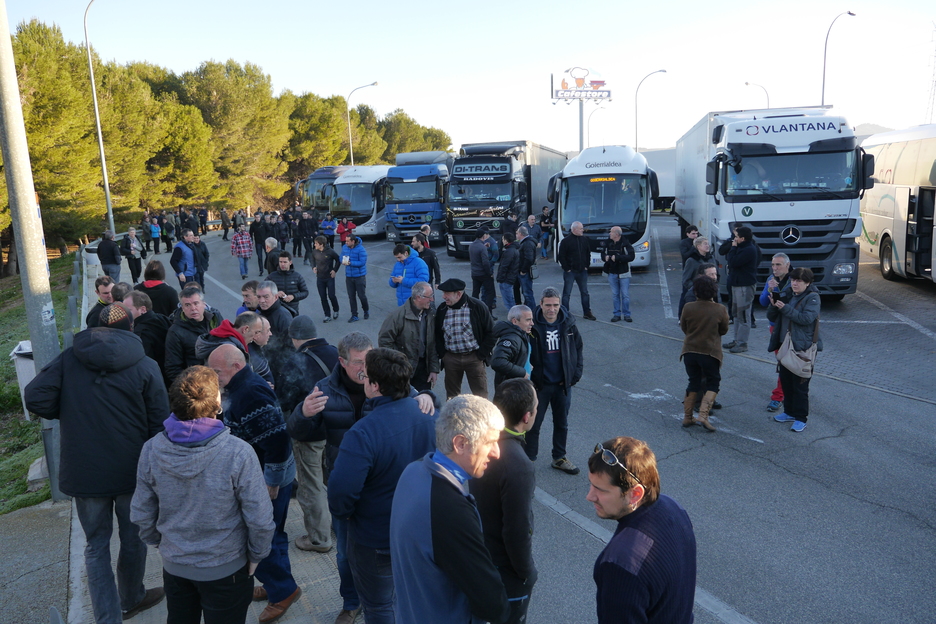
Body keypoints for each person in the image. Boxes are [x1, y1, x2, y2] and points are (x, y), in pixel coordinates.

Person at [25, 303, 169, 624]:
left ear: (92, 329)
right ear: (131, 329)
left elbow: (35, 396)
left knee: (96, 546)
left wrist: (68, 409)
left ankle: (108, 618)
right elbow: (160, 423)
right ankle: (132, 598)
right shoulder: (145, 365)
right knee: (134, 538)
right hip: (131, 470)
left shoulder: (69, 359)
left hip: (85, 472)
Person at [130, 366, 275, 624]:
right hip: (228, 569)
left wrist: (163, 545)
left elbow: (141, 512)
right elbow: (260, 519)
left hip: (175, 567)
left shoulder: (151, 449)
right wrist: (256, 556)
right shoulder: (238, 453)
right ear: (217, 405)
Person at [328, 348, 437, 624]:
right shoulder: (431, 416)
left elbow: (340, 493)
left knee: (379, 607)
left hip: (376, 539)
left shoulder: (363, 433)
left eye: (366, 377)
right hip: (420, 532)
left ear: (375, 386)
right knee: (412, 598)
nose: (363, 380)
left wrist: (346, 515)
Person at [389, 394, 510, 624]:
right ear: (460, 444)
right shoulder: (450, 511)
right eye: (489, 442)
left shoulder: (412, 472)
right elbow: (493, 603)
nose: (497, 452)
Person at [207, 345, 301, 624]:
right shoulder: (240, 386)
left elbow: (278, 440)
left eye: (217, 371)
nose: (213, 377)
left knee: (257, 538)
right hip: (262, 475)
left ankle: (283, 590)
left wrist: (271, 481)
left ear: (235, 367)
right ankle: (279, 585)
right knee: (275, 534)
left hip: (265, 479)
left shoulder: (249, 392)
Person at [588, 437, 697, 624]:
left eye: (601, 490)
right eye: (591, 484)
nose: (590, 496)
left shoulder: (620, 563)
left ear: (635, 494)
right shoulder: (674, 508)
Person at [469, 379, 538, 624]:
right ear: (527, 417)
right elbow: (516, 531)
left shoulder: (478, 442)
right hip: (503, 570)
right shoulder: (518, 465)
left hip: (476, 557)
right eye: (536, 408)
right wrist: (527, 573)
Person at [280, 316, 338, 554]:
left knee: (311, 485)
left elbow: (285, 400)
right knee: (332, 479)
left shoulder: (296, 362)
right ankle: (337, 525)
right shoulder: (335, 353)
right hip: (336, 429)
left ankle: (319, 538)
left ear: (295, 338)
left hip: (309, 434)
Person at [526, 286, 583, 476]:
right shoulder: (532, 324)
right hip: (539, 386)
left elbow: (578, 348)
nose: (552, 309)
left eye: (555, 305)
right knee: (533, 425)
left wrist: (575, 375)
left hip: (562, 385)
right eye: (548, 305)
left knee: (562, 424)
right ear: (541, 304)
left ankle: (559, 457)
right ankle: (528, 460)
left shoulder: (568, 323)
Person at [768, 267, 821, 432]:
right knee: (786, 382)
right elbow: (772, 316)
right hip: (785, 345)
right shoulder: (789, 293)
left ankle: (801, 418)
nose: (794, 283)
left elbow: (806, 319)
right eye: (793, 280)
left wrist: (784, 307)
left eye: (799, 281)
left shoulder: (813, 298)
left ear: (808, 282)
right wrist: (774, 305)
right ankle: (789, 412)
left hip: (801, 347)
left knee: (800, 386)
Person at [679, 275, 730, 431]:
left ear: (696, 291)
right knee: (713, 382)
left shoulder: (688, 307)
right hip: (710, 353)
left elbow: (684, 327)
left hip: (689, 351)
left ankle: (688, 417)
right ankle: (703, 415)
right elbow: (724, 330)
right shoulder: (720, 309)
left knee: (693, 381)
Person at [434, 278, 495, 400]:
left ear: (458, 294)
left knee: (480, 397)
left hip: (474, 358)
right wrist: (444, 355)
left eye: (447, 293)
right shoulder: (442, 309)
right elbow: (437, 334)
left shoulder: (477, 307)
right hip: (451, 359)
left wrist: (481, 355)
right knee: (452, 397)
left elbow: (492, 332)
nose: (443, 296)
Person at [378, 281, 439, 392]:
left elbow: (433, 344)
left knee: (423, 400)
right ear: (418, 297)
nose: (432, 299)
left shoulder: (431, 315)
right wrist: (398, 364)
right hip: (402, 370)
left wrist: (433, 369)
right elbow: (385, 342)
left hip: (423, 370)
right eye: (429, 296)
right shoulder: (396, 316)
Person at [164, 286, 223, 385]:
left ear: (203, 304)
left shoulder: (215, 319)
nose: (193, 308)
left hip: (221, 379)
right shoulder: (175, 332)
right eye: (187, 305)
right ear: (182, 308)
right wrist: (193, 387)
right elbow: (172, 368)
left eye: (196, 303)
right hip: (198, 384)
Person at [759, 253, 793, 413]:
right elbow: (763, 301)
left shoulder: (795, 280)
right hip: (776, 327)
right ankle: (780, 395)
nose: (775, 268)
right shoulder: (771, 279)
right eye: (773, 265)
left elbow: (789, 302)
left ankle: (781, 395)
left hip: (791, 327)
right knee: (783, 362)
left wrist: (777, 290)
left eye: (778, 265)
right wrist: (770, 289)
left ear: (787, 265)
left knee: (789, 363)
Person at [721, 226, 758, 353]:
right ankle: (737, 340)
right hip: (737, 284)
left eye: (736, 237)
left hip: (744, 286)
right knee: (736, 314)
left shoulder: (748, 249)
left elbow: (732, 262)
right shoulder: (742, 247)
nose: (734, 239)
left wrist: (733, 248)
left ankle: (742, 343)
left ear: (742, 238)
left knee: (743, 315)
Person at [122, 290, 171, 380]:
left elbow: (144, 364)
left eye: (128, 310)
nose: (125, 314)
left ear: (143, 310)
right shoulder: (163, 319)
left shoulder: (140, 333)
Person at [558, 221, 596, 320]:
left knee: (585, 292)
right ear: (574, 229)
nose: (583, 230)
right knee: (567, 293)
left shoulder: (584, 240)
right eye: (581, 229)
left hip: (582, 271)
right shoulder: (566, 241)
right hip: (570, 271)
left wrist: (587, 265)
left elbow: (588, 253)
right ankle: (565, 314)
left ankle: (587, 312)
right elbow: (561, 256)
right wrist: (567, 268)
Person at [490, 304, 533, 387]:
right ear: (515, 321)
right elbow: (498, 362)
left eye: (531, 319)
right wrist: (522, 372)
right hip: (512, 389)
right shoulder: (511, 338)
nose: (532, 323)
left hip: (521, 385)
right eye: (528, 320)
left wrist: (526, 362)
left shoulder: (522, 333)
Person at [603, 226, 636, 322]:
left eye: (611, 232)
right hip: (612, 273)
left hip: (623, 273)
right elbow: (603, 253)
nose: (609, 233)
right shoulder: (608, 243)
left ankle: (627, 314)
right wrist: (604, 257)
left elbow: (631, 256)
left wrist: (618, 258)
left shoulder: (626, 244)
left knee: (625, 295)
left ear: (616, 234)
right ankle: (616, 314)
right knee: (615, 295)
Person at [679, 235, 713, 320]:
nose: (707, 246)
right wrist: (696, 288)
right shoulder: (691, 260)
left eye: (708, 244)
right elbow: (686, 279)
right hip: (697, 293)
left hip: (710, 291)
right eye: (705, 244)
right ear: (698, 246)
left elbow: (717, 274)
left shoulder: (711, 258)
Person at [268, 251, 309, 315]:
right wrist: (275, 293)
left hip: (292, 310)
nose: (282, 264)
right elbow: (263, 289)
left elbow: (305, 292)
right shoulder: (272, 276)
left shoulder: (297, 276)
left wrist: (294, 296)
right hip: (276, 310)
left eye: (285, 262)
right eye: (280, 262)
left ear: (290, 262)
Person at [312, 235, 342, 322]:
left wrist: (334, 270)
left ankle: (336, 310)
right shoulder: (315, 251)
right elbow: (312, 259)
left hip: (329, 277)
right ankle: (327, 315)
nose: (314, 245)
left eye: (316, 243)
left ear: (321, 244)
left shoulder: (330, 251)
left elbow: (338, 260)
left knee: (331, 295)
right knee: (323, 297)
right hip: (320, 278)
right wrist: (313, 267)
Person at [341, 235, 369, 322]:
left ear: (353, 241)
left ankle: (366, 310)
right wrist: (342, 260)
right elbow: (341, 256)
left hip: (359, 276)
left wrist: (351, 263)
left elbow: (362, 262)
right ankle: (354, 315)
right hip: (349, 276)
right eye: (345, 241)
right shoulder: (345, 247)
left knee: (361, 296)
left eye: (348, 241)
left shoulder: (361, 249)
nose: (346, 243)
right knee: (351, 296)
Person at [469, 228, 496, 311]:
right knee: (490, 292)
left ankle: (474, 310)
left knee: (475, 292)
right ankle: (488, 312)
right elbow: (485, 262)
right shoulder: (482, 248)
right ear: (483, 236)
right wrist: (489, 273)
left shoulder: (471, 246)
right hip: (483, 274)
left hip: (474, 273)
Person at [497, 231, 520, 310]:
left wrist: (500, 278)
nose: (502, 241)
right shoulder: (513, 250)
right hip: (510, 277)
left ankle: (513, 315)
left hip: (506, 278)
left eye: (503, 239)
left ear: (506, 240)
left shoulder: (509, 251)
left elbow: (504, 266)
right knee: (509, 298)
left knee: (508, 300)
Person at [516, 225, 537, 307]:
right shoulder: (526, 242)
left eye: (517, 233)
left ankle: (532, 310)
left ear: (521, 234)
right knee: (526, 292)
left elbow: (529, 259)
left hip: (525, 272)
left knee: (527, 293)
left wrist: (523, 271)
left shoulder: (527, 243)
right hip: (524, 271)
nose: (516, 235)